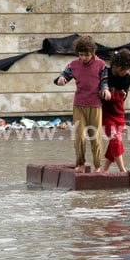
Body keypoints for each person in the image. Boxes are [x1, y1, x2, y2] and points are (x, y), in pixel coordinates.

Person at [54, 35, 110, 173]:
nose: (84, 57)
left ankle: (97, 167)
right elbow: (63, 77)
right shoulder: (74, 65)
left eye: (86, 55)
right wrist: (60, 80)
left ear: (93, 53)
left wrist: (105, 90)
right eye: (81, 55)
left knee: (95, 137)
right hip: (79, 105)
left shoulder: (101, 65)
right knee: (79, 136)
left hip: (95, 105)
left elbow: (104, 82)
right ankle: (80, 163)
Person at [101, 48, 130, 172]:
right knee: (115, 140)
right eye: (124, 69)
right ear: (116, 66)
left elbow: (123, 95)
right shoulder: (105, 74)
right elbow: (101, 94)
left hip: (120, 116)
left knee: (114, 144)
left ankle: (104, 171)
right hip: (106, 115)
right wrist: (109, 95)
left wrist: (109, 95)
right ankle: (123, 170)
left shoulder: (127, 78)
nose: (126, 72)